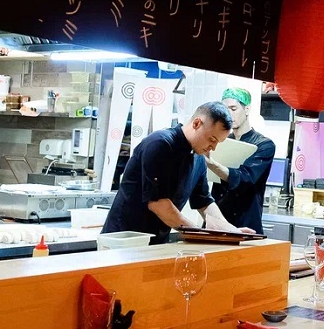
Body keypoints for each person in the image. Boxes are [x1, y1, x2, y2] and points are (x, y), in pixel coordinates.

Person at [102, 101, 254, 244]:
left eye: (217, 143)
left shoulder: (198, 158)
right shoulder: (160, 144)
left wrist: (230, 231)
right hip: (123, 240)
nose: (213, 148)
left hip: (156, 242)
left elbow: (204, 202)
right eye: (212, 139)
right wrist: (200, 233)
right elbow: (158, 204)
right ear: (196, 123)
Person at [205, 87, 275, 234]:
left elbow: (245, 178)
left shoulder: (264, 145)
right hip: (219, 219)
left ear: (247, 109)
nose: (228, 114)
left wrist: (212, 164)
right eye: (225, 109)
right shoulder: (221, 140)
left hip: (246, 219)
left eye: (233, 108)